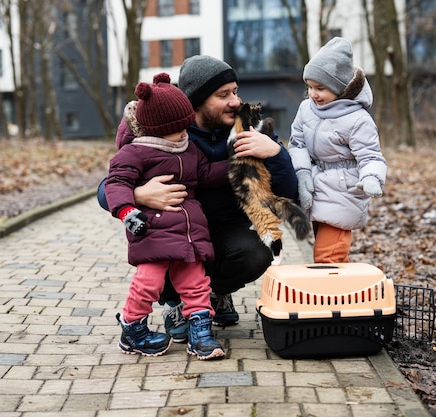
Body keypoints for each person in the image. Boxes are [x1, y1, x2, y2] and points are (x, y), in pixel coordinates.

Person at [98, 55, 298, 342]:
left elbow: (288, 194)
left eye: (236, 91)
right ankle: (175, 304)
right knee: (162, 252)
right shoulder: (163, 129)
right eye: (223, 95)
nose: (235, 101)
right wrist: (140, 194)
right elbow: (108, 187)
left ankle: (215, 296)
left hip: (227, 229)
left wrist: (275, 153)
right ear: (197, 101)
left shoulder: (248, 128)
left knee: (257, 251)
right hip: (173, 230)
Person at [106, 73, 229, 360]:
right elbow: (116, 183)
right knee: (148, 284)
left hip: (188, 233)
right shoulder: (135, 153)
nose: (184, 133)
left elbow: (206, 174)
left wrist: (235, 165)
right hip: (153, 233)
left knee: (197, 283)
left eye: (185, 126)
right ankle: (132, 328)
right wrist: (127, 211)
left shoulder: (188, 147)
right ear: (157, 129)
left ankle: (201, 332)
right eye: (177, 129)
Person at [288, 37, 387, 263]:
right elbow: (298, 143)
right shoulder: (307, 109)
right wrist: (303, 173)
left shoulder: (357, 119)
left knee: (327, 258)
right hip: (315, 187)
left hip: (344, 191)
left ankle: (330, 295)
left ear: (340, 88)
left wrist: (371, 177)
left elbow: (370, 155)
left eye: (320, 88)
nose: (313, 94)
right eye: (310, 87)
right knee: (328, 256)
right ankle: (341, 294)